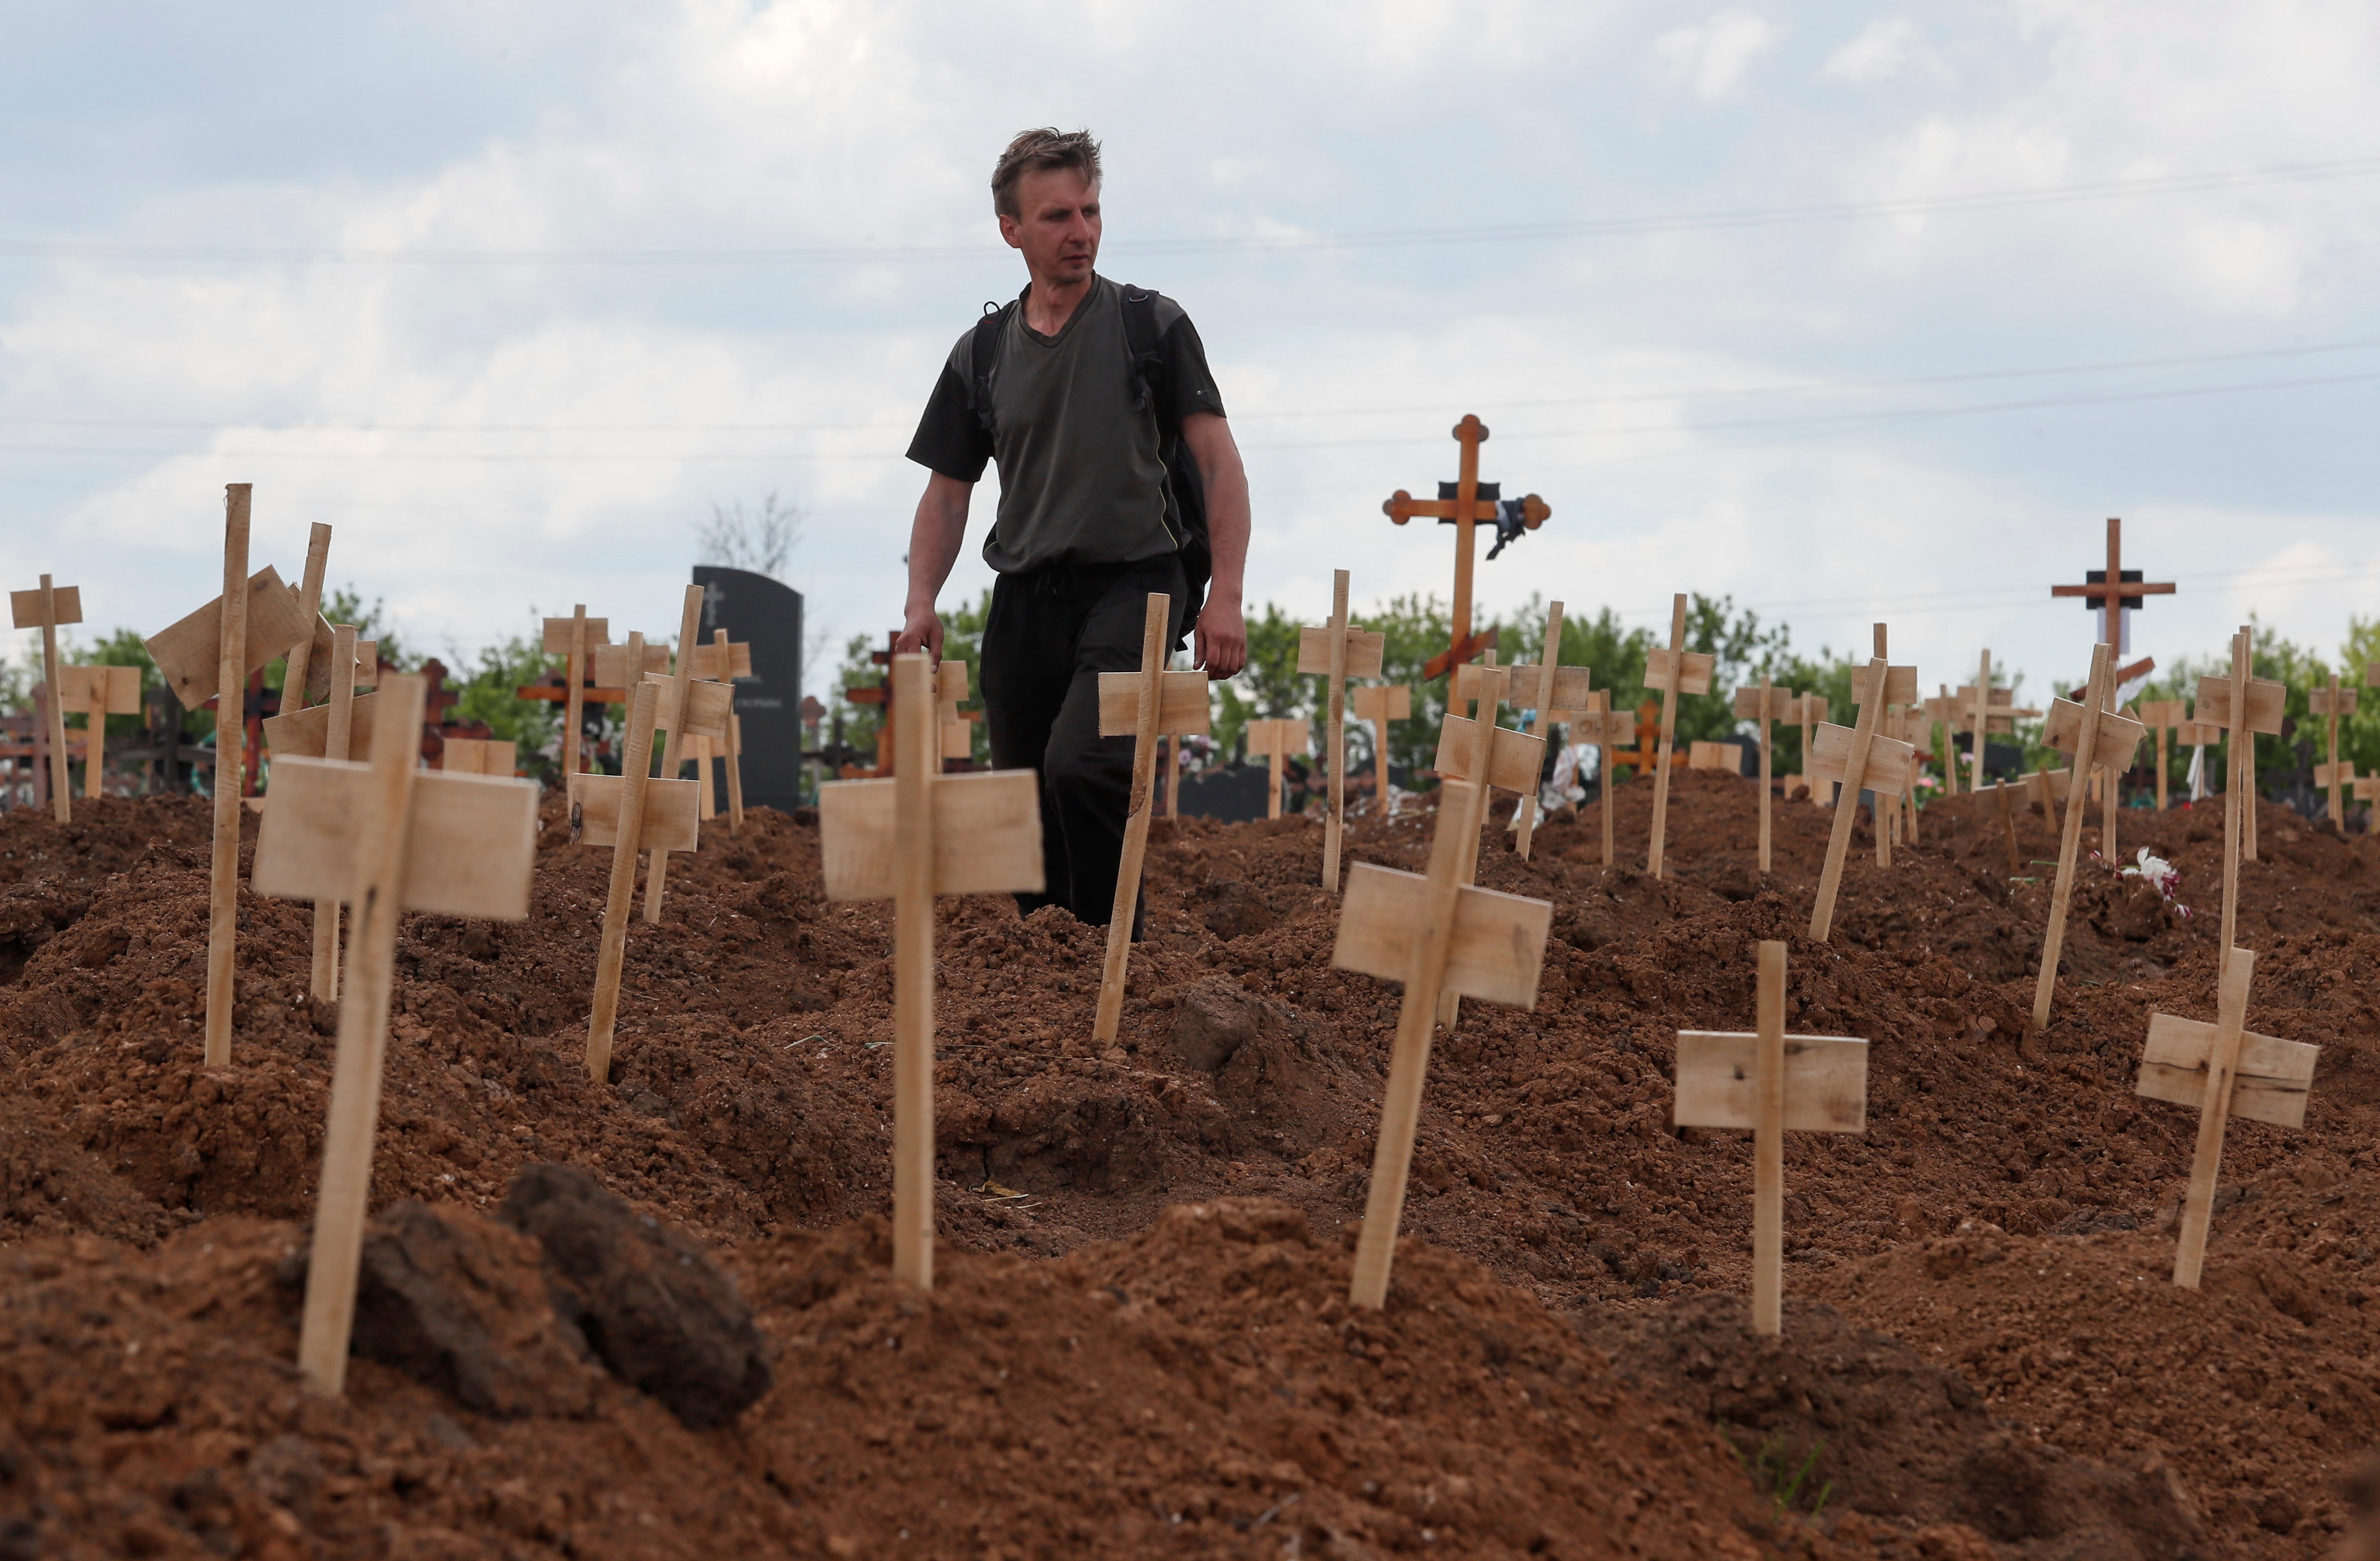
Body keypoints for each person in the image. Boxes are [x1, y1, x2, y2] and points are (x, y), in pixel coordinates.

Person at [898, 128, 1250, 929]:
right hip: (1026, 594)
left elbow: (1218, 464)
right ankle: (1048, 960)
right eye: (1057, 216)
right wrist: (921, 601)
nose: (1080, 231)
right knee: (1021, 811)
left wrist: (1225, 596)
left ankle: (1115, 947)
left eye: (1089, 211)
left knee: (1085, 766)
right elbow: (947, 494)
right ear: (1011, 229)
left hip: (1138, 581)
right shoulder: (983, 353)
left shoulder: (1150, 326)